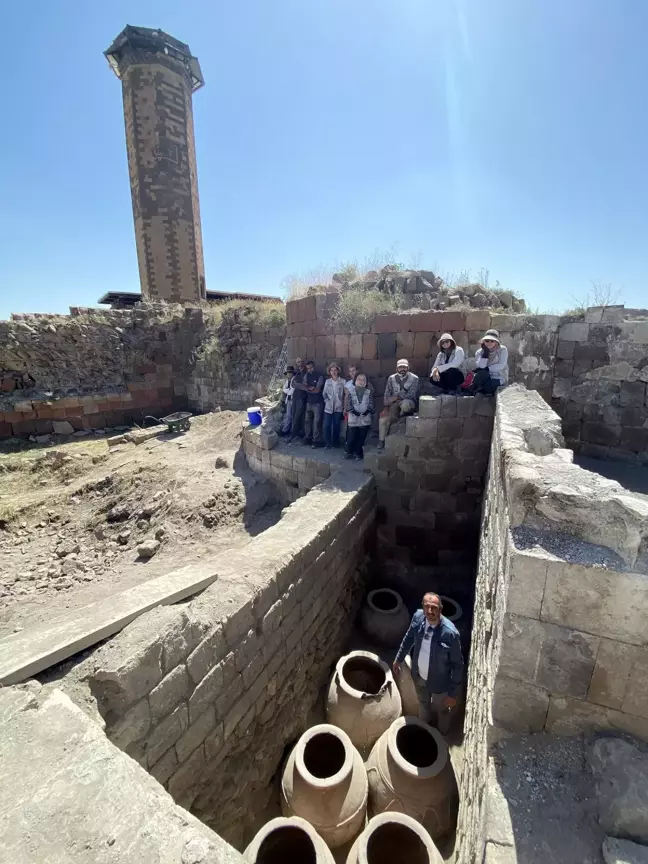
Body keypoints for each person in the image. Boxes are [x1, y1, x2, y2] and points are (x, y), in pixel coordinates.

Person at [393, 593, 464, 735]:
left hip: (440, 683)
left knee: (442, 709)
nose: (430, 612)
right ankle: (424, 731)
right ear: (422, 607)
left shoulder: (450, 633)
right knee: (423, 704)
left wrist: (452, 693)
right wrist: (399, 658)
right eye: (427, 607)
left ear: (440, 609)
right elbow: (409, 638)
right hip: (419, 677)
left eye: (434, 608)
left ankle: (442, 734)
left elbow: (457, 664)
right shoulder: (418, 618)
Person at [378, 359, 419, 449]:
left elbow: (411, 394)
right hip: (393, 404)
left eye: (404, 367)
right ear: (397, 368)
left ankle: (402, 415)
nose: (402, 369)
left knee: (405, 405)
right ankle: (381, 440)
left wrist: (397, 397)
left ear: (408, 368)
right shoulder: (391, 378)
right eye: (400, 367)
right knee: (382, 420)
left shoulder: (414, 378)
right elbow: (387, 394)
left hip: (408, 402)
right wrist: (385, 407)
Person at [469, 329, 509, 395]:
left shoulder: (503, 350)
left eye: (492, 341)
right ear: (484, 342)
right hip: (485, 376)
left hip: (498, 376)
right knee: (482, 374)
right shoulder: (480, 352)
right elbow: (481, 366)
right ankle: (472, 388)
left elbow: (501, 365)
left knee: (488, 387)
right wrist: (485, 353)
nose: (489, 343)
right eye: (487, 341)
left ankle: (481, 389)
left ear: (496, 342)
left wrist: (488, 369)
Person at [344, 373, 373, 460]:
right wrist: (354, 412)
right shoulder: (350, 391)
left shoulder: (369, 392)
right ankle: (348, 452)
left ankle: (358, 453)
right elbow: (349, 404)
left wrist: (367, 411)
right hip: (353, 417)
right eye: (359, 379)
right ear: (355, 381)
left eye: (363, 380)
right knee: (351, 437)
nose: (361, 381)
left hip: (365, 418)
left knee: (361, 437)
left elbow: (371, 405)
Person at [323, 363, 346, 449]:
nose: (334, 372)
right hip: (328, 408)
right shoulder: (327, 381)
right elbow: (324, 393)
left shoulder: (343, 381)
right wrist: (326, 401)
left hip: (338, 407)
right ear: (329, 372)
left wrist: (343, 405)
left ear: (338, 371)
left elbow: (345, 394)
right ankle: (327, 443)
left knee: (336, 425)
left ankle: (336, 443)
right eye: (332, 370)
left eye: (335, 370)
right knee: (327, 425)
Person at [303, 360, 324, 447]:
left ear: (314, 367)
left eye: (311, 368)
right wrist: (310, 388)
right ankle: (308, 438)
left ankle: (316, 441)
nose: (310, 370)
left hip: (318, 402)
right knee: (307, 421)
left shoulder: (320, 376)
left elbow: (317, 390)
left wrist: (309, 388)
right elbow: (303, 386)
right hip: (309, 402)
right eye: (308, 368)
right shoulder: (307, 375)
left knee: (317, 422)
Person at [288, 358, 308, 443]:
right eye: (298, 362)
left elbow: (305, 386)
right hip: (295, 397)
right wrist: (299, 385)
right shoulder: (297, 373)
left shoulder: (306, 373)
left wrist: (298, 385)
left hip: (301, 398)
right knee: (293, 415)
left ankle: (293, 435)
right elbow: (292, 384)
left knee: (298, 417)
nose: (300, 364)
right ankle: (296, 434)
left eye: (301, 362)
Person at [279, 365, 295, 437]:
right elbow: (284, 389)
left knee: (290, 415)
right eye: (288, 373)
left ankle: (285, 430)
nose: (288, 374)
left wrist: (287, 390)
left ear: (292, 373)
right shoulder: (288, 380)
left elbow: (292, 391)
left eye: (290, 373)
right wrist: (287, 390)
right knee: (288, 415)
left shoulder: (294, 379)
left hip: (293, 400)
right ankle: (286, 429)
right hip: (288, 400)